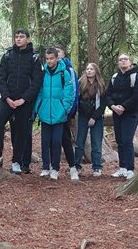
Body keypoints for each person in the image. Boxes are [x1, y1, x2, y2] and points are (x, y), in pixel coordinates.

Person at [0, 28, 42, 174]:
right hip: (7, 98)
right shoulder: (8, 55)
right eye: (16, 37)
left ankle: (16, 162)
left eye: (21, 37)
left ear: (28, 39)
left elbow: (36, 82)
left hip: (24, 102)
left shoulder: (34, 58)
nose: (18, 39)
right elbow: (1, 78)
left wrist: (24, 99)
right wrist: (7, 97)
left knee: (20, 130)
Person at [33, 47, 75, 180]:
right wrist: (38, 108)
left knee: (57, 142)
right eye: (47, 59)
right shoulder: (43, 72)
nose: (49, 61)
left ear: (57, 58)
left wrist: (64, 109)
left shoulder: (64, 74)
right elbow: (39, 92)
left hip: (59, 115)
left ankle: (55, 169)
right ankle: (46, 167)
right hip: (45, 113)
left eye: (52, 58)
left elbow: (69, 93)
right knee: (45, 142)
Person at [104, 53, 138, 179]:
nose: (123, 61)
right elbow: (108, 94)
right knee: (120, 141)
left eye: (125, 59)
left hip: (131, 113)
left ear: (130, 62)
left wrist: (124, 106)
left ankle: (130, 169)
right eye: (120, 60)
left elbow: (137, 95)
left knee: (127, 141)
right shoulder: (115, 77)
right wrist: (112, 106)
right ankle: (122, 168)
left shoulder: (136, 77)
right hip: (117, 113)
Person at [74, 62, 107, 178]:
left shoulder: (101, 85)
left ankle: (97, 167)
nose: (89, 71)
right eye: (87, 69)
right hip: (82, 116)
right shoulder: (80, 83)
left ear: (96, 71)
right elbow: (76, 100)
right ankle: (76, 166)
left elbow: (103, 104)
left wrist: (94, 117)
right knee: (79, 142)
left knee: (96, 143)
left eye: (91, 69)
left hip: (96, 117)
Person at [57, 48, 80, 181]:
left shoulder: (69, 70)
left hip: (64, 113)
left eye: (59, 52)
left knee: (66, 139)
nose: (57, 54)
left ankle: (73, 167)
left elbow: (73, 93)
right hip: (51, 113)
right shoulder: (47, 70)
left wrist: (68, 112)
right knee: (51, 141)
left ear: (63, 54)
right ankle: (51, 167)